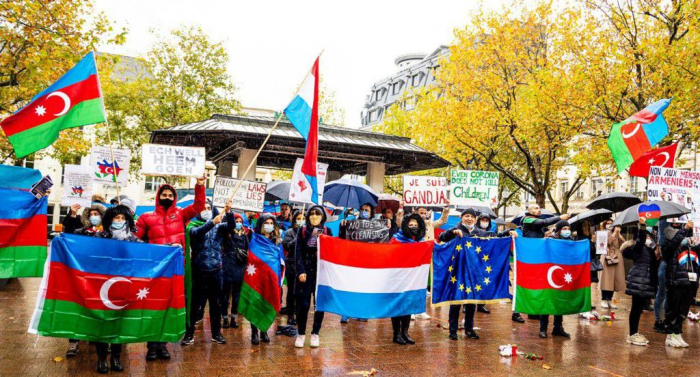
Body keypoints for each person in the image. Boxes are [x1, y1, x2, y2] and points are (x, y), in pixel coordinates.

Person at [134, 174, 206, 361]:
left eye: (170, 195)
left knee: (168, 307)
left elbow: (199, 206)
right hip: (154, 272)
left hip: (175, 271)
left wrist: (199, 186)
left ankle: (163, 345)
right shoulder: (146, 218)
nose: (167, 197)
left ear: (174, 198)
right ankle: (151, 346)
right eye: (164, 194)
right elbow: (136, 242)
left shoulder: (181, 214)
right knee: (152, 308)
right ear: (158, 197)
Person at [439, 208, 517, 340]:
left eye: (472, 217)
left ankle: (469, 329)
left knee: (471, 302)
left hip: (473, 272)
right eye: (466, 216)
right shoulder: (455, 229)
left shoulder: (480, 232)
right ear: (461, 218)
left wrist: (507, 232)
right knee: (456, 301)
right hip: (457, 271)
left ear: (475, 220)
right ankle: (453, 330)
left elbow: (495, 238)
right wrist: (453, 233)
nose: (469, 219)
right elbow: (442, 238)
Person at [95, 204, 142, 373]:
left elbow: (149, 252)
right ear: (109, 220)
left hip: (124, 287)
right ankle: (101, 358)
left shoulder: (133, 240)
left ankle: (116, 356)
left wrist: (169, 248)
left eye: (123, 218)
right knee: (102, 322)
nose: (120, 221)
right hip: (103, 286)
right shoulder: (100, 237)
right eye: (116, 218)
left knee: (119, 323)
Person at [61, 202, 106, 358]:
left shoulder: (108, 233)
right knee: (78, 307)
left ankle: (98, 337)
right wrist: (72, 214)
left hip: (101, 277)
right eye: (91, 215)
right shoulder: (83, 232)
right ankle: (74, 341)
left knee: (98, 308)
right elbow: (69, 235)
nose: (94, 217)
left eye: (97, 214)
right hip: (82, 276)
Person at [181, 202, 228, 346]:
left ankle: (216, 333)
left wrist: (229, 212)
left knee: (216, 305)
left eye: (209, 208)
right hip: (199, 272)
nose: (206, 211)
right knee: (194, 305)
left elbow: (230, 226)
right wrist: (212, 222)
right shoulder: (192, 226)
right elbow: (197, 233)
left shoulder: (219, 226)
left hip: (216, 271)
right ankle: (189, 334)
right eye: (203, 209)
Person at [295, 205, 333, 348]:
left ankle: (315, 333)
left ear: (323, 216)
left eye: (318, 213)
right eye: (312, 213)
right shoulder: (302, 231)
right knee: (303, 304)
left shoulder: (328, 231)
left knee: (319, 305)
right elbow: (298, 252)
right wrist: (300, 270)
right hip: (305, 272)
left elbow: (333, 250)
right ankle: (301, 333)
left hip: (320, 272)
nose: (314, 216)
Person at [389, 213, 426, 345]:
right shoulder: (396, 238)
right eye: (410, 225)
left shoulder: (421, 241)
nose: (413, 227)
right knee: (398, 306)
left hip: (412, 279)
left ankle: (405, 332)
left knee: (408, 306)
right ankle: (396, 334)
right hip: (398, 277)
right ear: (405, 225)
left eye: (416, 225)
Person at [661, 219, 698, 348]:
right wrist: (685, 229)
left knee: (683, 309)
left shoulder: (686, 245)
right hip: (674, 280)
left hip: (688, 280)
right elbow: (673, 244)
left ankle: (677, 333)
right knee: (673, 309)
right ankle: (670, 335)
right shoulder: (667, 244)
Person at [622, 217, 658, 346]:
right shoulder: (637, 248)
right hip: (638, 279)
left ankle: (634, 332)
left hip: (645, 280)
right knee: (636, 308)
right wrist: (642, 226)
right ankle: (632, 334)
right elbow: (641, 239)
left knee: (639, 308)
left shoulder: (648, 250)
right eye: (646, 237)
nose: (648, 239)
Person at [249, 213, 283, 345]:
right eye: (266, 223)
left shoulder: (277, 241)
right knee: (255, 302)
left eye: (271, 224)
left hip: (271, 277)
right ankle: (254, 331)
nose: (269, 226)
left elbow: (280, 261)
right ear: (261, 225)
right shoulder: (254, 238)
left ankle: (264, 329)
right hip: (256, 276)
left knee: (266, 303)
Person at [539, 220, 573, 339]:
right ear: (558, 230)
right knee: (548, 301)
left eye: (568, 228)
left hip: (562, 275)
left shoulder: (570, 241)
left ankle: (557, 328)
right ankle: (543, 328)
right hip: (550, 274)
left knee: (560, 301)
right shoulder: (549, 240)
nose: (566, 231)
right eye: (564, 229)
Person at [221, 212, 250, 330]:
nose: (238, 224)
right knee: (225, 295)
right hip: (227, 266)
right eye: (236, 221)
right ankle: (224, 318)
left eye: (240, 222)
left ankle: (233, 317)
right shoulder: (226, 233)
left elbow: (248, 249)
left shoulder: (245, 235)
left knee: (237, 295)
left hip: (239, 267)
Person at [281, 210, 305, 325]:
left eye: (303, 218)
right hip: (291, 265)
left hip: (302, 266)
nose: (301, 221)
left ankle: (298, 313)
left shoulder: (307, 232)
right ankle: (290, 315)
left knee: (300, 292)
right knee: (291, 291)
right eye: (298, 218)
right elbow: (287, 246)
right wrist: (298, 237)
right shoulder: (289, 232)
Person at [600, 219, 626, 310]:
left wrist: (619, 234)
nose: (610, 225)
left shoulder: (617, 233)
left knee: (615, 279)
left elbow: (624, 244)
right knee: (606, 279)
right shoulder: (603, 233)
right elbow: (604, 244)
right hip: (607, 257)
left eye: (611, 223)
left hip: (617, 257)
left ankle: (609, 299)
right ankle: (604, 299)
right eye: (608, 223)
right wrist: (614, 234)